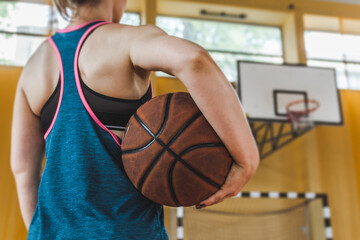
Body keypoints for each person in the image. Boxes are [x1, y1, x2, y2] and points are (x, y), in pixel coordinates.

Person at [10, 0, 260, 239]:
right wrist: (246, 160)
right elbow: (193, 59)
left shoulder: (34, 66)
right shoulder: (127, 40)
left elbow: (22, 169)